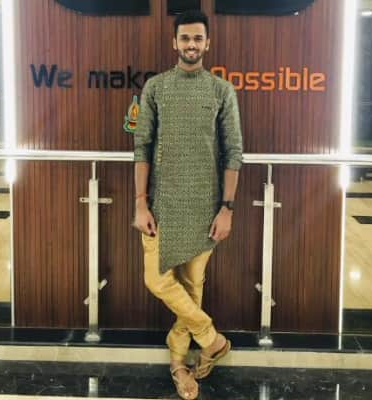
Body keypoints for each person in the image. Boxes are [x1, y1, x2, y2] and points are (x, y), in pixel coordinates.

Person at [132, 9, 243, 400]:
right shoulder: (156, 88)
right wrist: (140, 203)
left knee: (192, 290)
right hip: (160, 207)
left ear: (207, 43)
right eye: (185, 38)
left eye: (198, 38)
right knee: (156, 280)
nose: (191, 44)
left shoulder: (221, 91)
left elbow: (233, 152)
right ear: (174, 42)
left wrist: (227, 208)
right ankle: (213, 340)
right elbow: (142, 146)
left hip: (205, 210)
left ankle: (179, 365)